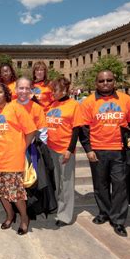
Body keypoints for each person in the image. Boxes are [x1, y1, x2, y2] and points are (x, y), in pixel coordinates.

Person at [79, 70, 130, 237]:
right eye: (101, 81)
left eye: (109, 80)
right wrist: (88, 150)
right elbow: (83, 129)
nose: (105, 83)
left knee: (119, 186)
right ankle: (104, 212)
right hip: (97, 151)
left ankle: (118, 220)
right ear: (96, 83)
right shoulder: (88, 102)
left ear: (114, 82)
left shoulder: (125, 100)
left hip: (119, 151)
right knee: (100, 185)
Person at [0, 83, 36, 235]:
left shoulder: (15, 107)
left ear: (5, 93)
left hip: (12, 160)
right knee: (1, 192)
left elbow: (31, 130)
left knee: (16, 194)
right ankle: (9, 215)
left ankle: (24, 218)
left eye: (0, 92)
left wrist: (22, 148)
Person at [46, 77, 84, 227]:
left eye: (55, 90)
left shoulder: (74, 105)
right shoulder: (52, 104)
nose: (52, 93)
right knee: (56, 182)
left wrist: (70, 150)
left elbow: (76, 129)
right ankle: (57, 207)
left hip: (64, 150)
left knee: (66, 183)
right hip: (51, 148)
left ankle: (65, 215)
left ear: (64, 90)